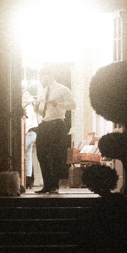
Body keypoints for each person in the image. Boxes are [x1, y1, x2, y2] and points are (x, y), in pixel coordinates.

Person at [33, 65, 75, 193]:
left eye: (42, 76)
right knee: (41, 154)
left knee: (54, 155)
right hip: (45, 123)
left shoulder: (62, 89)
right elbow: (42, 112)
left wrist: (58, 104)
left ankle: (54, 185)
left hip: (57, 123)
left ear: (49, 75)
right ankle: (47, 184)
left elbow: (73, 105)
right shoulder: (42, 91)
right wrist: (36, 109)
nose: (41, 79)